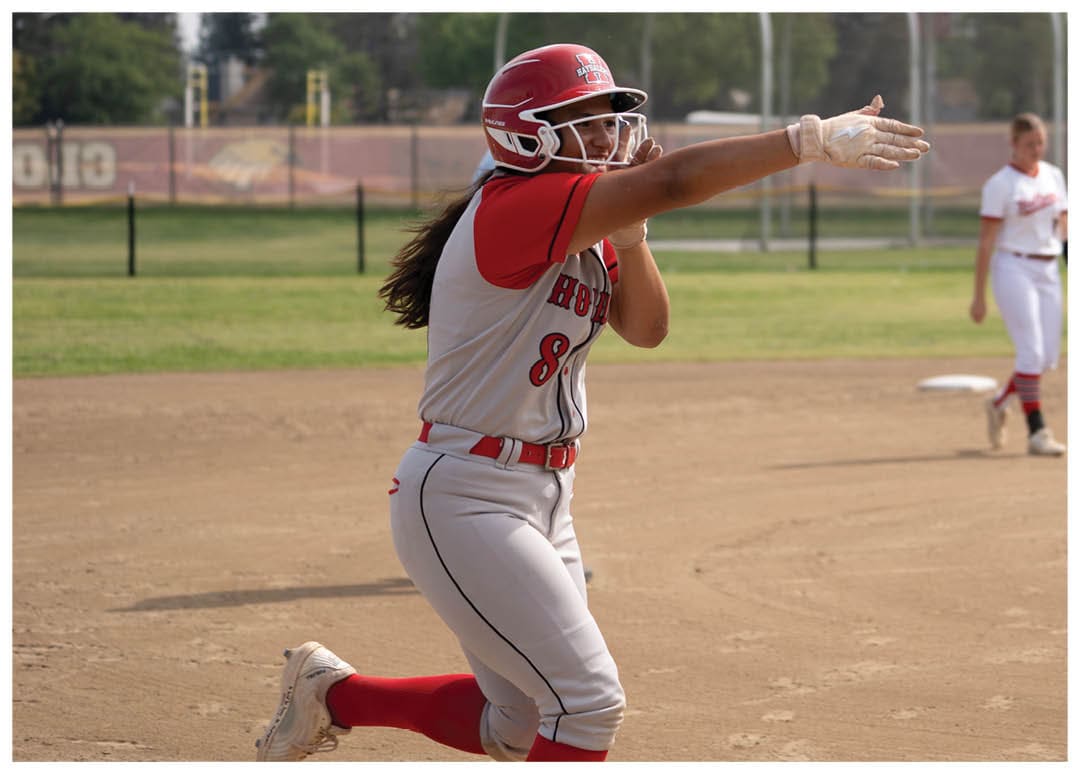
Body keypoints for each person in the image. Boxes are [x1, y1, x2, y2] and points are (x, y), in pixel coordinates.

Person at [254, 42, 930, 762]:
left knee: (513, 722)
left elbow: (648, 328)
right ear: (527, 132)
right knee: (587, 702)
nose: (608, 135)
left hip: (543, 494)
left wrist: (631, 236)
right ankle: (332, 694)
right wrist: (806, 141)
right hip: (466, 496)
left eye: (611, 118)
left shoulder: (588, 227)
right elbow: (674, 181)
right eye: (585, 118)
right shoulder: (516, 204)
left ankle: (331, 693)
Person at [971, 113, 1067, 457]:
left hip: (1048, 269)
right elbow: (985, 242)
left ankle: (998, 403)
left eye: (1041, 142)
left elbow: (1064, 226)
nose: (1037, 149)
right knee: (1030, 352)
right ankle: (1037, 431)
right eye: (1029, 144)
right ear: (1013, 145)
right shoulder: (1001, 185)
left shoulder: (1054, 175)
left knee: (1045, 359)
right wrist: (978, 297)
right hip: (1014, 267)